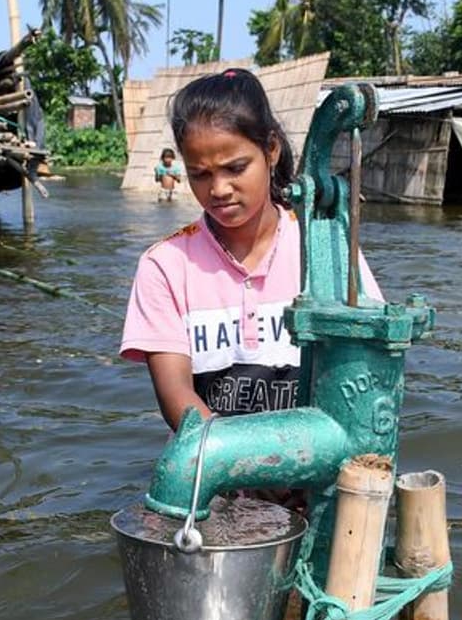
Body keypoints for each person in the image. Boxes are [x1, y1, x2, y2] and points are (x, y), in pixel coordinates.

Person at [120, 68, 383, 432]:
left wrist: (300, 463)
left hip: (314, 463)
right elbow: (176, 394)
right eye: (200, 174)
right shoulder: (164, 266)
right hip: (217, 468)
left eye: (236, 168)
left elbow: (365, 367)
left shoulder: (327, 246)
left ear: (271, 150)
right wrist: (250, 463)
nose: (220, 189)